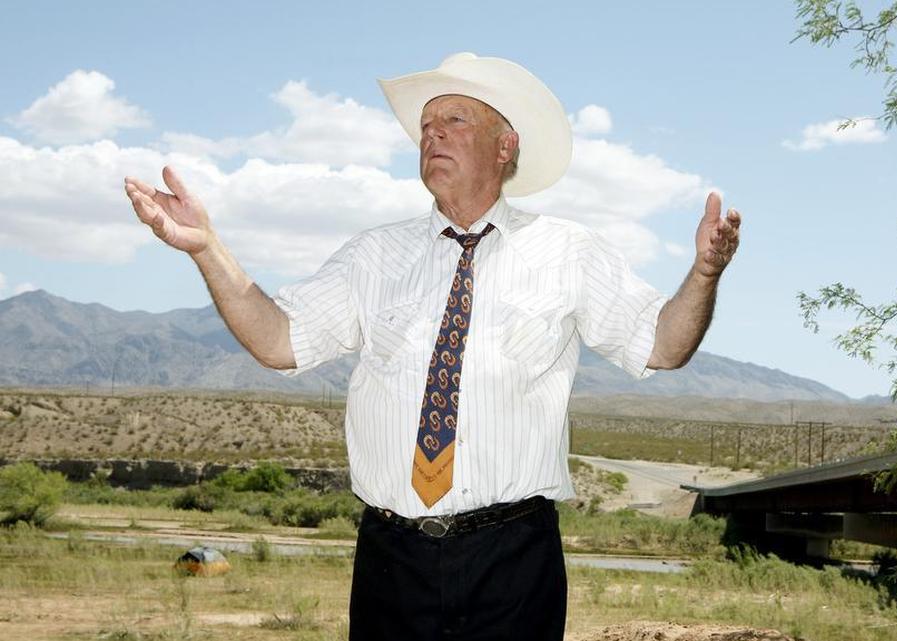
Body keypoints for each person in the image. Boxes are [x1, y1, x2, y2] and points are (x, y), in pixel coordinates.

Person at [125, 52, 740, 641]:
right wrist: (207, 247)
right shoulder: (373, 255)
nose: (432, 135)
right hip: (392, 561)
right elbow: (278, 340)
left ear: (506, 146)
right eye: (425, 125)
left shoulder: (569, 252)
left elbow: (662, 345)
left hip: (513, 561)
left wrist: (703, 275)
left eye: (454, 119)